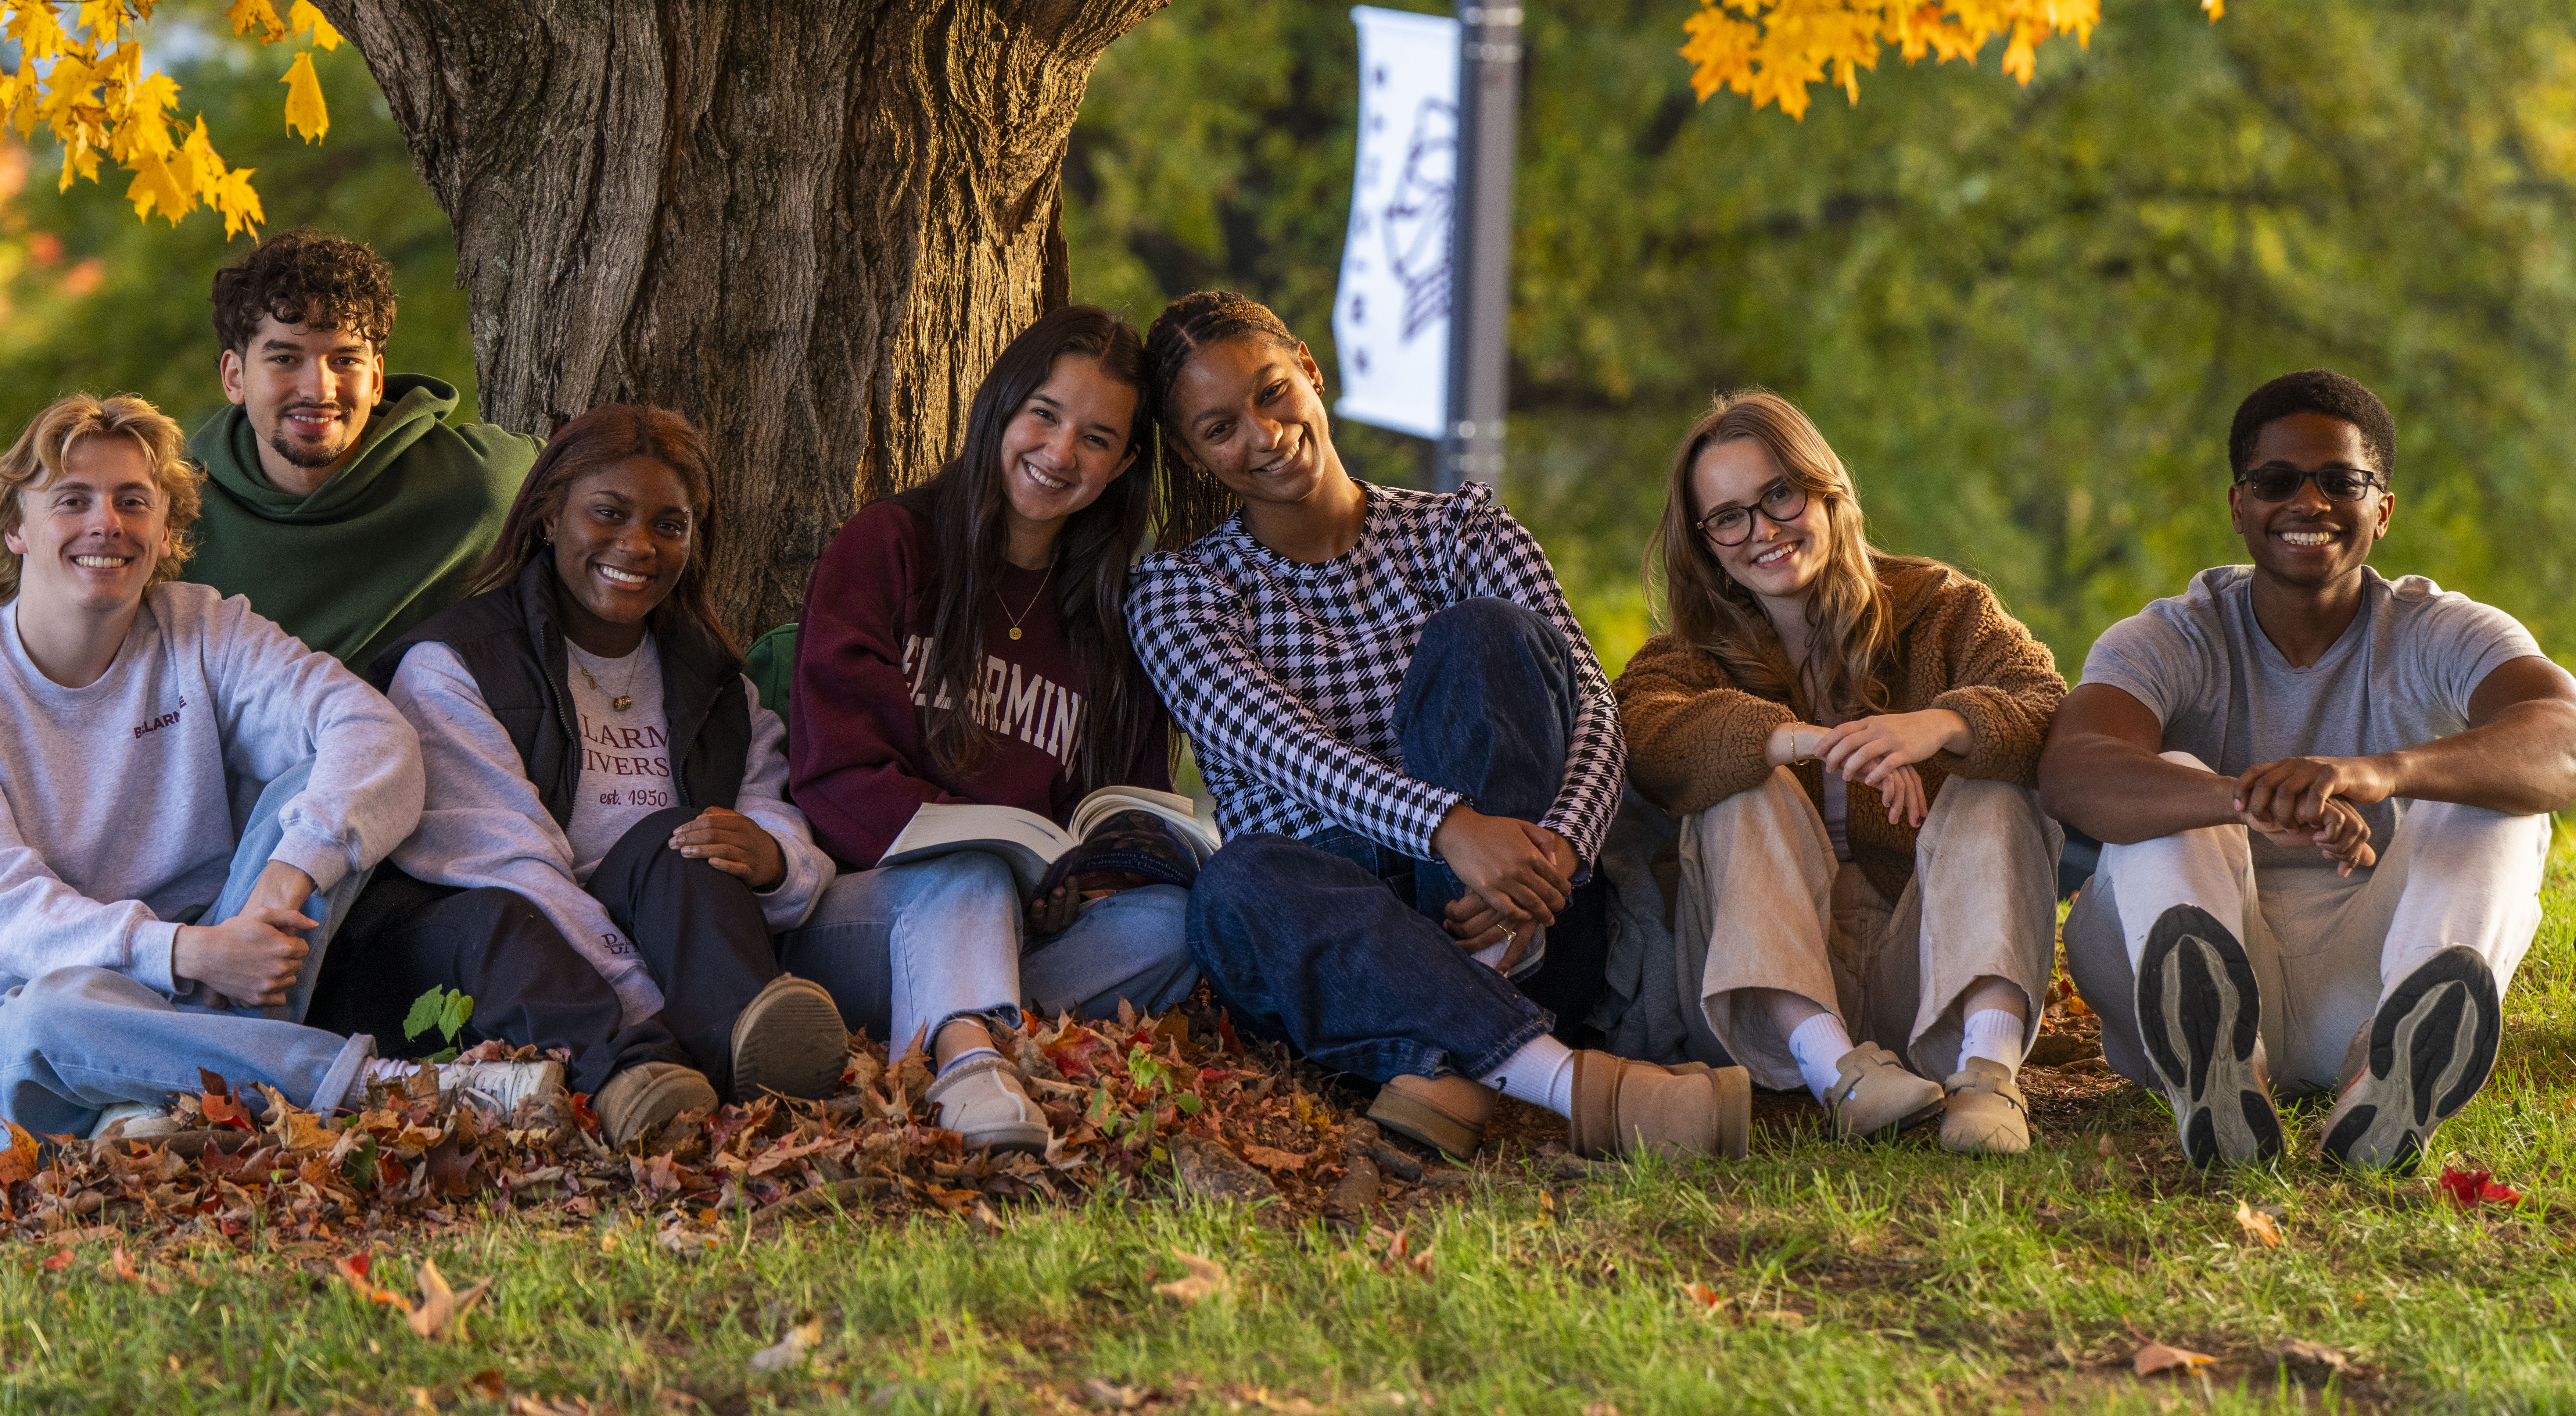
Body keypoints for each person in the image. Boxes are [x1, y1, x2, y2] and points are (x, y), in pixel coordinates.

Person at [1128, 292, 1747, 1162]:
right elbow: (1287, 752)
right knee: (1235, 886)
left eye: (1271, 393)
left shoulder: (1460, 530)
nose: (1262, 434)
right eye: (1218, 427)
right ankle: (1569, 1083)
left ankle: (1463, 1043)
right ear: (1191, 454)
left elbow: (1592, 707)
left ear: (1309, 368)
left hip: (1519, 918)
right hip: (1344, 947)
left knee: (1482, 633)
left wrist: (1552, 852)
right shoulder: (1180, 593)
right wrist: (1449, 830)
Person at [2039, 370, 2576, 1170]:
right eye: (2277, 481)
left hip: (2371, 976)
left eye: (2341, 481)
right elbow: (2074, 773)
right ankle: (2218, 1073)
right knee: (2166, 781)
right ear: (2240, 508)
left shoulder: (2440, 628)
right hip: (2196, 948)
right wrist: (2244, 799)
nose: (2308, 503)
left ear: (2382, 509)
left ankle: (2386, 1070)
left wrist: (2379, 774)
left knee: (2499, 799)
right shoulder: (2169, 636)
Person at [0, 394, 423, 1155]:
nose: (108, 522)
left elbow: (373, 734)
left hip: (218, 992)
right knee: (57, 1014)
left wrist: (290, 873)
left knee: (316, 790)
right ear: (14, 528)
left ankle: (165, 1110)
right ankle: (385, 1088)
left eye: (133, 501)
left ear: (165, 529)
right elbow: (0, 909)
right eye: (72, 500)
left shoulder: (203, 631)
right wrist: (187, 953)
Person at [314, 405, 846, 1149]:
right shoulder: (453, 665)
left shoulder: (713, 681)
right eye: (608, 513)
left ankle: (748, 1051)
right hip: (457, 948)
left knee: (682, 839)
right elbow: (507, 866)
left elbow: (767, 798)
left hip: (635, 943)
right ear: (546, 517)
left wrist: (777, 857)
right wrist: (642, 1003)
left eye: (670, 525)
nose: (639, 544)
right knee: (503, 917)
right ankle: (637, 1074)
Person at [782, 308, 1203, 1148]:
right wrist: (970, 852)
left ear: (1122, 465)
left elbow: (1119, 811)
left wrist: (1084, 879)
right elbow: (831, 775)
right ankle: (967, 1070)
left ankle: (960, 1018)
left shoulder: (1108, 622)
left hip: (1021, 934)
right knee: (966, 873)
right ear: (999, 409)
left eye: (1095, 438)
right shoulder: (892, 547)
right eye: (1043, 415)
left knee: (1177, 925)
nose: (1058, 454)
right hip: (867, 915)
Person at [1613, 392, 2066, 1155]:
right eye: (1728, 517)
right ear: (1707, 542)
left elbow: (2046, 704)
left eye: (1778, 495)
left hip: (1923, 971)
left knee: (1991, 771)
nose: (1761, 531)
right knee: (1740, 779)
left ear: (1826, 489)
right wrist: (1796, 742)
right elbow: (1644, 737)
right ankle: (1840, 1074)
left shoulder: (1943, 610)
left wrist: (1938, 728)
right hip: (1766, 996)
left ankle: (1988, 1073)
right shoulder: (1686, 656)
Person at [179, 228, 538, 672]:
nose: (319, 389)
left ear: (377, 379)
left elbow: (599, 476)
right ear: (234, 377)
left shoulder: (481, 482)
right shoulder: (173, 510)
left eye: (345, 360)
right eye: (285, 359)